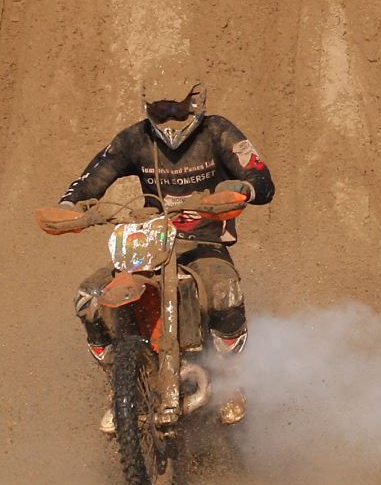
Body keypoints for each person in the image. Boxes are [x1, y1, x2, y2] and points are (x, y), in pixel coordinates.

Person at [58, 78, 275, 432]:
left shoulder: (218, 132)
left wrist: (244, 187)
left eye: (177, 109)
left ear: (195, 102)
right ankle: (119, 384)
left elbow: (262, 178)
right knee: (88, 298)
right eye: (162, 109)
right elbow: (93, 177)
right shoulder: (134, 138)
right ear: (148, 105)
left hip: (204, 242)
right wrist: (70, 205)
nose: (170, 119)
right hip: (149, 244)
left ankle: (232, 380)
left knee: (224, 291)